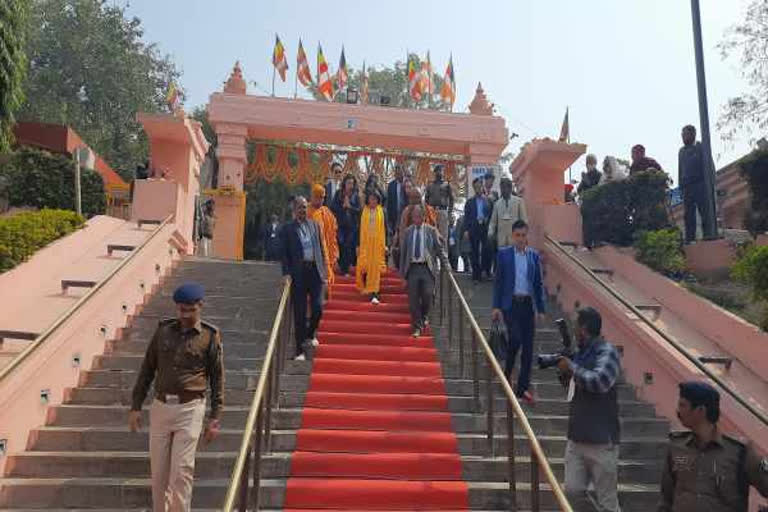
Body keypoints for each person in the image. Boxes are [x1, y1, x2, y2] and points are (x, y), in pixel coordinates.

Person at [129, 283, 224, 512]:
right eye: (181, 310)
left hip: (190, 409)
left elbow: (217, 377)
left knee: (181, 472)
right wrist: (136, 405)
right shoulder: (163, 331)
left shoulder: (209, 336)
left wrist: (215, 417)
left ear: (200, 306)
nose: (185, 315)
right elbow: (147, 369)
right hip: (161, 407)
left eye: (190, 310)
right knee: (159, 475)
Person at [658, 381, 768, 512]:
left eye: (683, 405)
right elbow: (666, 499)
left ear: (700, 410)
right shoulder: (676, 447)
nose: (678, 411)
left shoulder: (739, 451)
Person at [555, 307, 622, 512]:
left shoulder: (607, 351)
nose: (574, 330)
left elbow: (599, 381)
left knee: (607, 502)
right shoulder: (580, 353)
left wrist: (572, 367)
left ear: (583, 328)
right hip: (576, 438)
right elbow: (569, 386)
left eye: (575, 325)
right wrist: (564, 370)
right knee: (572, 494)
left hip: (602, 442)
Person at [491, 220, 546, 405]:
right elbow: (498, 282)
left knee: (528, 350)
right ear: (513, 236)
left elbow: (538, 284)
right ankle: (506, 374)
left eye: (524, 235)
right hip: (510, 305)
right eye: (518, 235)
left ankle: (522, 390)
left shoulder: (533, 256)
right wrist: (496, 307)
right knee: (515, 339)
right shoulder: (504, 255)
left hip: (528, 305)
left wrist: (541, 308)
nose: (521, 239)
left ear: (527, 236)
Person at [280, 196, 329, 360]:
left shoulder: (314, 225)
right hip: (298, 274)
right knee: (299, 313)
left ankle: (309, 333)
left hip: (314, 272)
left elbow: (321, 249)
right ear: (294, 210)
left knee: (318, 307)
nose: (303, 210)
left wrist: (324, 272)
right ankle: (299, 351)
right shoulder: (287, 229)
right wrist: (286, 273)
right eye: (300, 207)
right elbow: (284, 254)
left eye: (304, 207)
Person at [400, 205, 442, 337]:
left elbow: (439, 249)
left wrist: (446, 263)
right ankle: (417, 326)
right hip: (412, 268)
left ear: (424, 217)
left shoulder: (431, 231)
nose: (416, 219)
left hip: (426, 268)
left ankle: (424, 316)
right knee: (412, 300)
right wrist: (402, 276)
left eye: (419, 216)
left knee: (428, 295)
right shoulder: (408, 232)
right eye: (414, 217)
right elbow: (404, 253)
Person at [678, 125, 715, 243]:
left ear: (693, 134)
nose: (683, 137)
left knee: (705, 212)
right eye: (682, 134)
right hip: (687, 187)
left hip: (700, 184)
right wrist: (681, 187)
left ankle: (708, 236)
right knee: (688, 215)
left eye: (686, 134)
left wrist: (710, 183)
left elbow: (710, 166)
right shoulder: (681, 151)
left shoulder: (701, 147)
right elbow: (680, 170)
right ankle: (690, 239)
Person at [356, 190, 387, 304]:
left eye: (374, 199)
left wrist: (386, 244)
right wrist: (358, 244)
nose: (372, 201)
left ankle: (375, 293)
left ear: (378, 199)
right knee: (364, 266)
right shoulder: (363, 211)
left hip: (377, 244)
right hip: (366, 243)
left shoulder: (382, 211)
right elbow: (358, 228)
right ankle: (367, 288)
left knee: (375, 269)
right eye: (371, 198)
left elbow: (386, 229)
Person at [308, 184, 339, 285]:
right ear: (312, 196)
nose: (320, 200)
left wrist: (334, 253)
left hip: (325, 255)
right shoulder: (306, 211)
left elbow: (333, 234)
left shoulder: (326, 212)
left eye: (322, 197)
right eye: (317, 197)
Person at [331, 174, 362, 275]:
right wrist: (343, 207)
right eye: (349, 183)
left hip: (352, 226)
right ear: (344, 183)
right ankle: (341, 267)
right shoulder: (338, 194)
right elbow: (333, 208)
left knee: (348, 246)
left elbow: (359, 211)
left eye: (352, 183)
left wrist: (350, 207)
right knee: (341, 244)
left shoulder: (356, 196)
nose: (350, 185)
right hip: (340, 225)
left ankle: (346, 269)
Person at [463, 177, 492, 283]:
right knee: (474, 252)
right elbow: (466, 217)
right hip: (474, 228)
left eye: (480, 186)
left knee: (487, 250)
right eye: (476, 187)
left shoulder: (488, 200)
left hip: (485, 228)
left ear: (482, 186)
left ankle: (487, 272)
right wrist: (466, 230)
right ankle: (476, 276)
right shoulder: (470, 202)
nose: (478, 188)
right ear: (474, 188)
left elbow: (491, 214)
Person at [488, 176, 528, 248]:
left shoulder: (518, 201)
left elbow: (524, 220)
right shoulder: (497, 204)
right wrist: (490, 233)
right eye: (502, 188)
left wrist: (524, 236)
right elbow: (493, 222)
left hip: (516, 240)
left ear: (510, 189)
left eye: (505, 187)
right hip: (501, 240)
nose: (503, 190)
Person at [425, 164, 454, 243]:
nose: (439, 173)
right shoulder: (430, 185)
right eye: (437, 171)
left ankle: (444, 254)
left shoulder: (447, 184)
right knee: (431, 235)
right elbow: (426, 200)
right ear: (435, 173)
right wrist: (427, 212)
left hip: (442, 211)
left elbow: (452, 199)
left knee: (443, 235)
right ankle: (432, 255)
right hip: (432, 212)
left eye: (441, 171)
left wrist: (449, 213)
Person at [386, 164, 408, 236]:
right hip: (394, 215)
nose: (398, 175)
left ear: (403, 172)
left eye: (400, 172)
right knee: (395, 235)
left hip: (406, 214)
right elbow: (388, 202)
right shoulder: (391, 185)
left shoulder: (408, 183)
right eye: (396, 173)